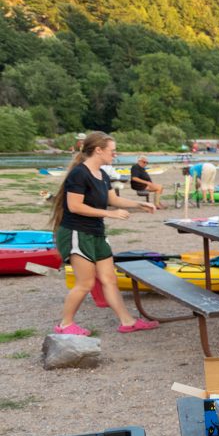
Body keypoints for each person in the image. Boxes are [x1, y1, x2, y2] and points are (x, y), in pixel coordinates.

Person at [50, 132, 159, 335]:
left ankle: (127, 321)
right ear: (98, 150)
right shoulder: (79, 174)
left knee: (109, 279)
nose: (115, 155)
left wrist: (139, 203)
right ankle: (65, 324)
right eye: (112, 151)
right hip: (77, 232)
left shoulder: (103, 174)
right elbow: (74, 206)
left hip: (96, 233)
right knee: (86, 283)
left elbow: (113, 199)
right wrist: (110, 214)